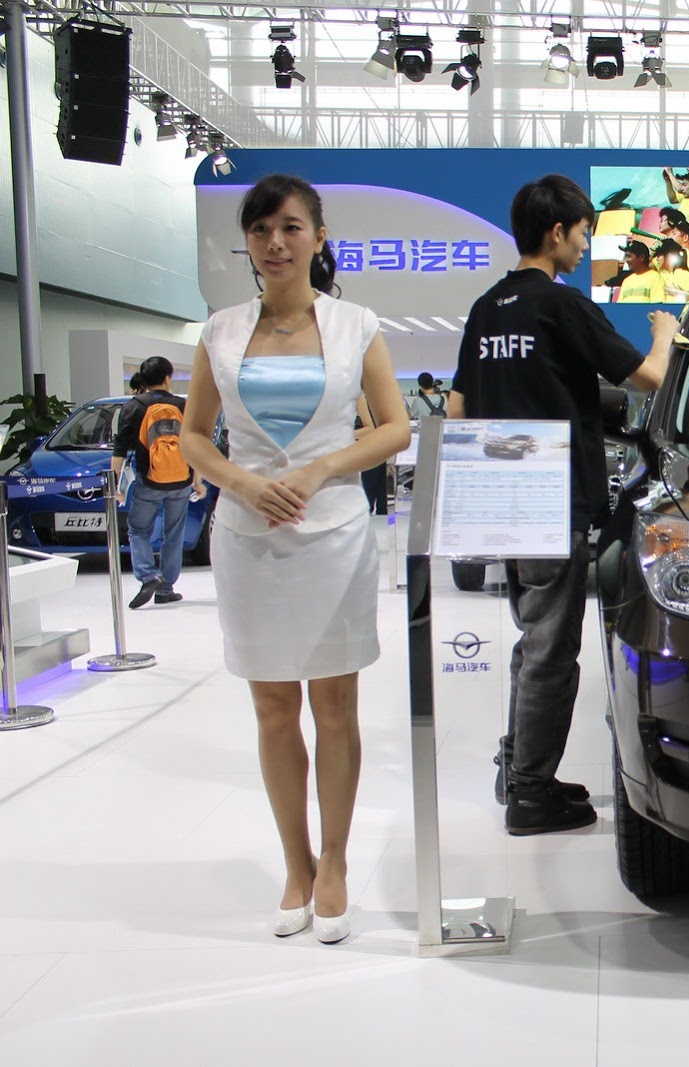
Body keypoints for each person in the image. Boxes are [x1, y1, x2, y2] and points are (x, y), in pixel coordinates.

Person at [178, 174, 410, 945]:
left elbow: (394, 427)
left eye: (289, 227)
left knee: (335, 706)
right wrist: (244, 482)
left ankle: (335, 860)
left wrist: (320, 469)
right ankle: (296, 862)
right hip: (248, 537)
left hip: (333, 533)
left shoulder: (355, 325)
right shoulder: (219, 331)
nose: (274, 243)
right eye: (259, 230)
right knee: (273, 709)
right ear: (247, 243)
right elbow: (193, 435)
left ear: (317, 235)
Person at [446, 173, 678, 836]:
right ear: (557, 232)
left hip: (500, 497)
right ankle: (530, 792)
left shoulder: (486, 309)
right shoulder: (562, 305)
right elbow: (651, 378)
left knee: (534, 638)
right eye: (582, 234)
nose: (584, 247)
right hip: (553, 498)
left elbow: (458, 410)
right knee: (551, 647)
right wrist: (666, 330)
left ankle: (517, 766)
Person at [112, 356, 205, 609]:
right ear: (168, 378)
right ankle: (165, 589)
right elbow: (194, 445)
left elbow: (120, 449)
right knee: (173, 534)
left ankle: (148, 574)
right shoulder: (183, 405)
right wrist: (197, 480)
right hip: (181, 481)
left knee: (138, 530)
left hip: (149, 481)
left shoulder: (133, 407)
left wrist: (116, 486)